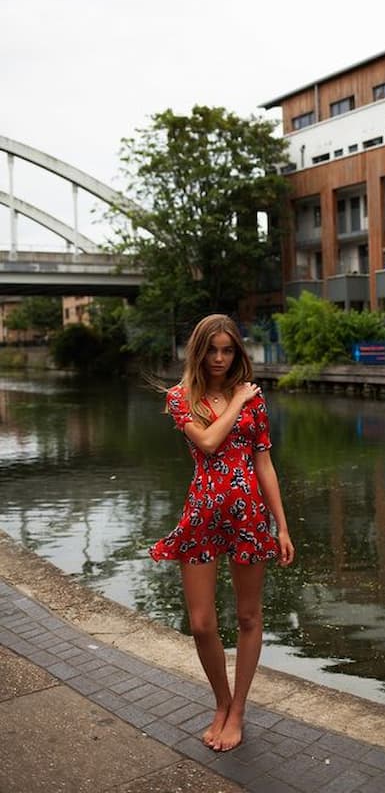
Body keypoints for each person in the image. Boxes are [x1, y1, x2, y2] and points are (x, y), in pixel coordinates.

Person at [149, 314, 294, 752]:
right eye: (211, 349)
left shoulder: (254, 400)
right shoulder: (181, 398)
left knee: (249, 617)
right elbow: (209, 443)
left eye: (227, 350)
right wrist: (236, 402)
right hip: (202, 516)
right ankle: (221, 701)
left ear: (236, 352)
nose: (219, 358)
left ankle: (239, 710)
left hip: (249, 516)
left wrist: (282, 526)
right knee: (201, 623)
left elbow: (264, 464)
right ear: (198, 350)